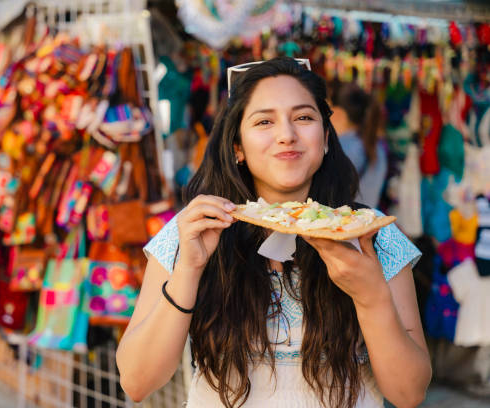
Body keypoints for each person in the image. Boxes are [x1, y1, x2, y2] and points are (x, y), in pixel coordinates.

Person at [116, 57, 431, 407]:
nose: (287, 135)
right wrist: (188, 270)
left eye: (304, 118)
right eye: (264, 121)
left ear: (325, 139)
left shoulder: (371, 236)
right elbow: (137, 382)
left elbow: (408, 393)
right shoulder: (192, 231)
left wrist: (371, 297)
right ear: (237, 147)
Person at [330, 83, 388, 209]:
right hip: (366, 220)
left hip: (345, 222)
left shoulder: (344, 146)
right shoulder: (375, 144)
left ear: (338, 113)